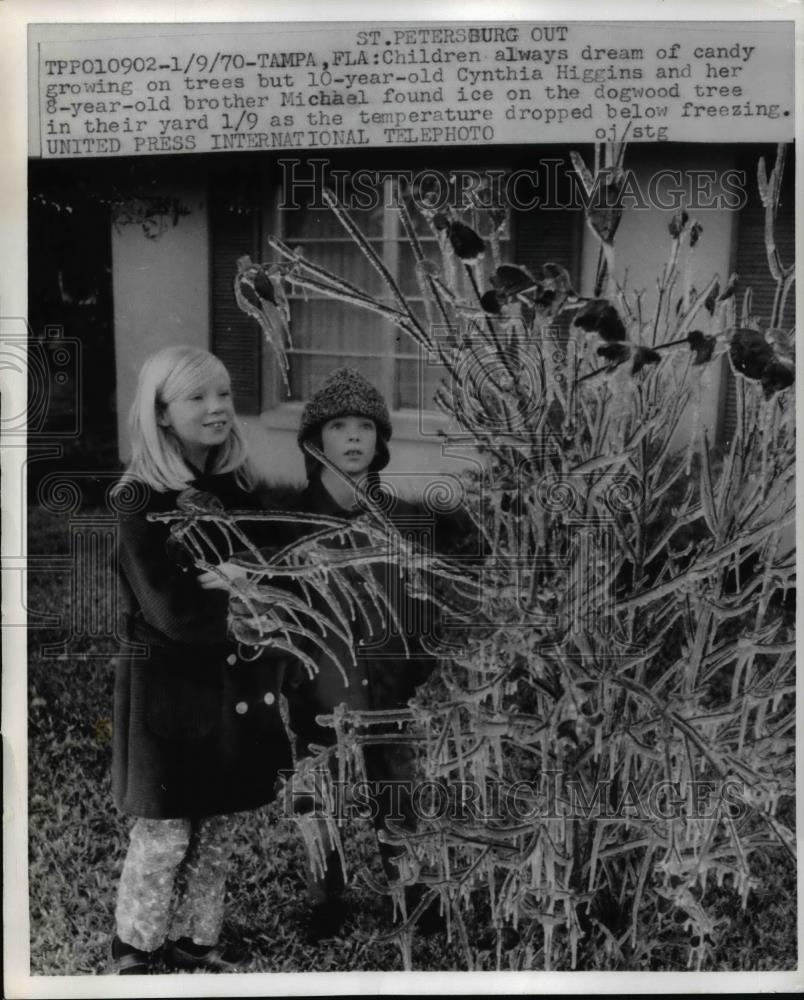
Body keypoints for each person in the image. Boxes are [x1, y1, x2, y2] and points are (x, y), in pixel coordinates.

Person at [109, 346, 292, 974]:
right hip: (169, 688)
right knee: (165, 829)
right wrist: (232, 589)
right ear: (160, 415)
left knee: (217, 827)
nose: (218, 408)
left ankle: (195, 937)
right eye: (197, 397)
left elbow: (274, 569)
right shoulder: (138, 500)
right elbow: (171, 609)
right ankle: (136, 943)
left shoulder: (235, 487)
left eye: (223, 393)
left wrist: (240, 579)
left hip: (232, 684)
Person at [283, 367, 457, 941]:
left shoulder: (401, 522)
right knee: (319, 795)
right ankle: (325, 897)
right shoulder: (292, 524)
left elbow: (423, 605)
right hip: (319, 686)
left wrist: (421, 668)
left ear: (380, 443)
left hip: (389, 686)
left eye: (365, 427)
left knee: (399, 789)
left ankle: (411, 889)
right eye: (339, 426)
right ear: (316, 442)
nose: (353, 437)